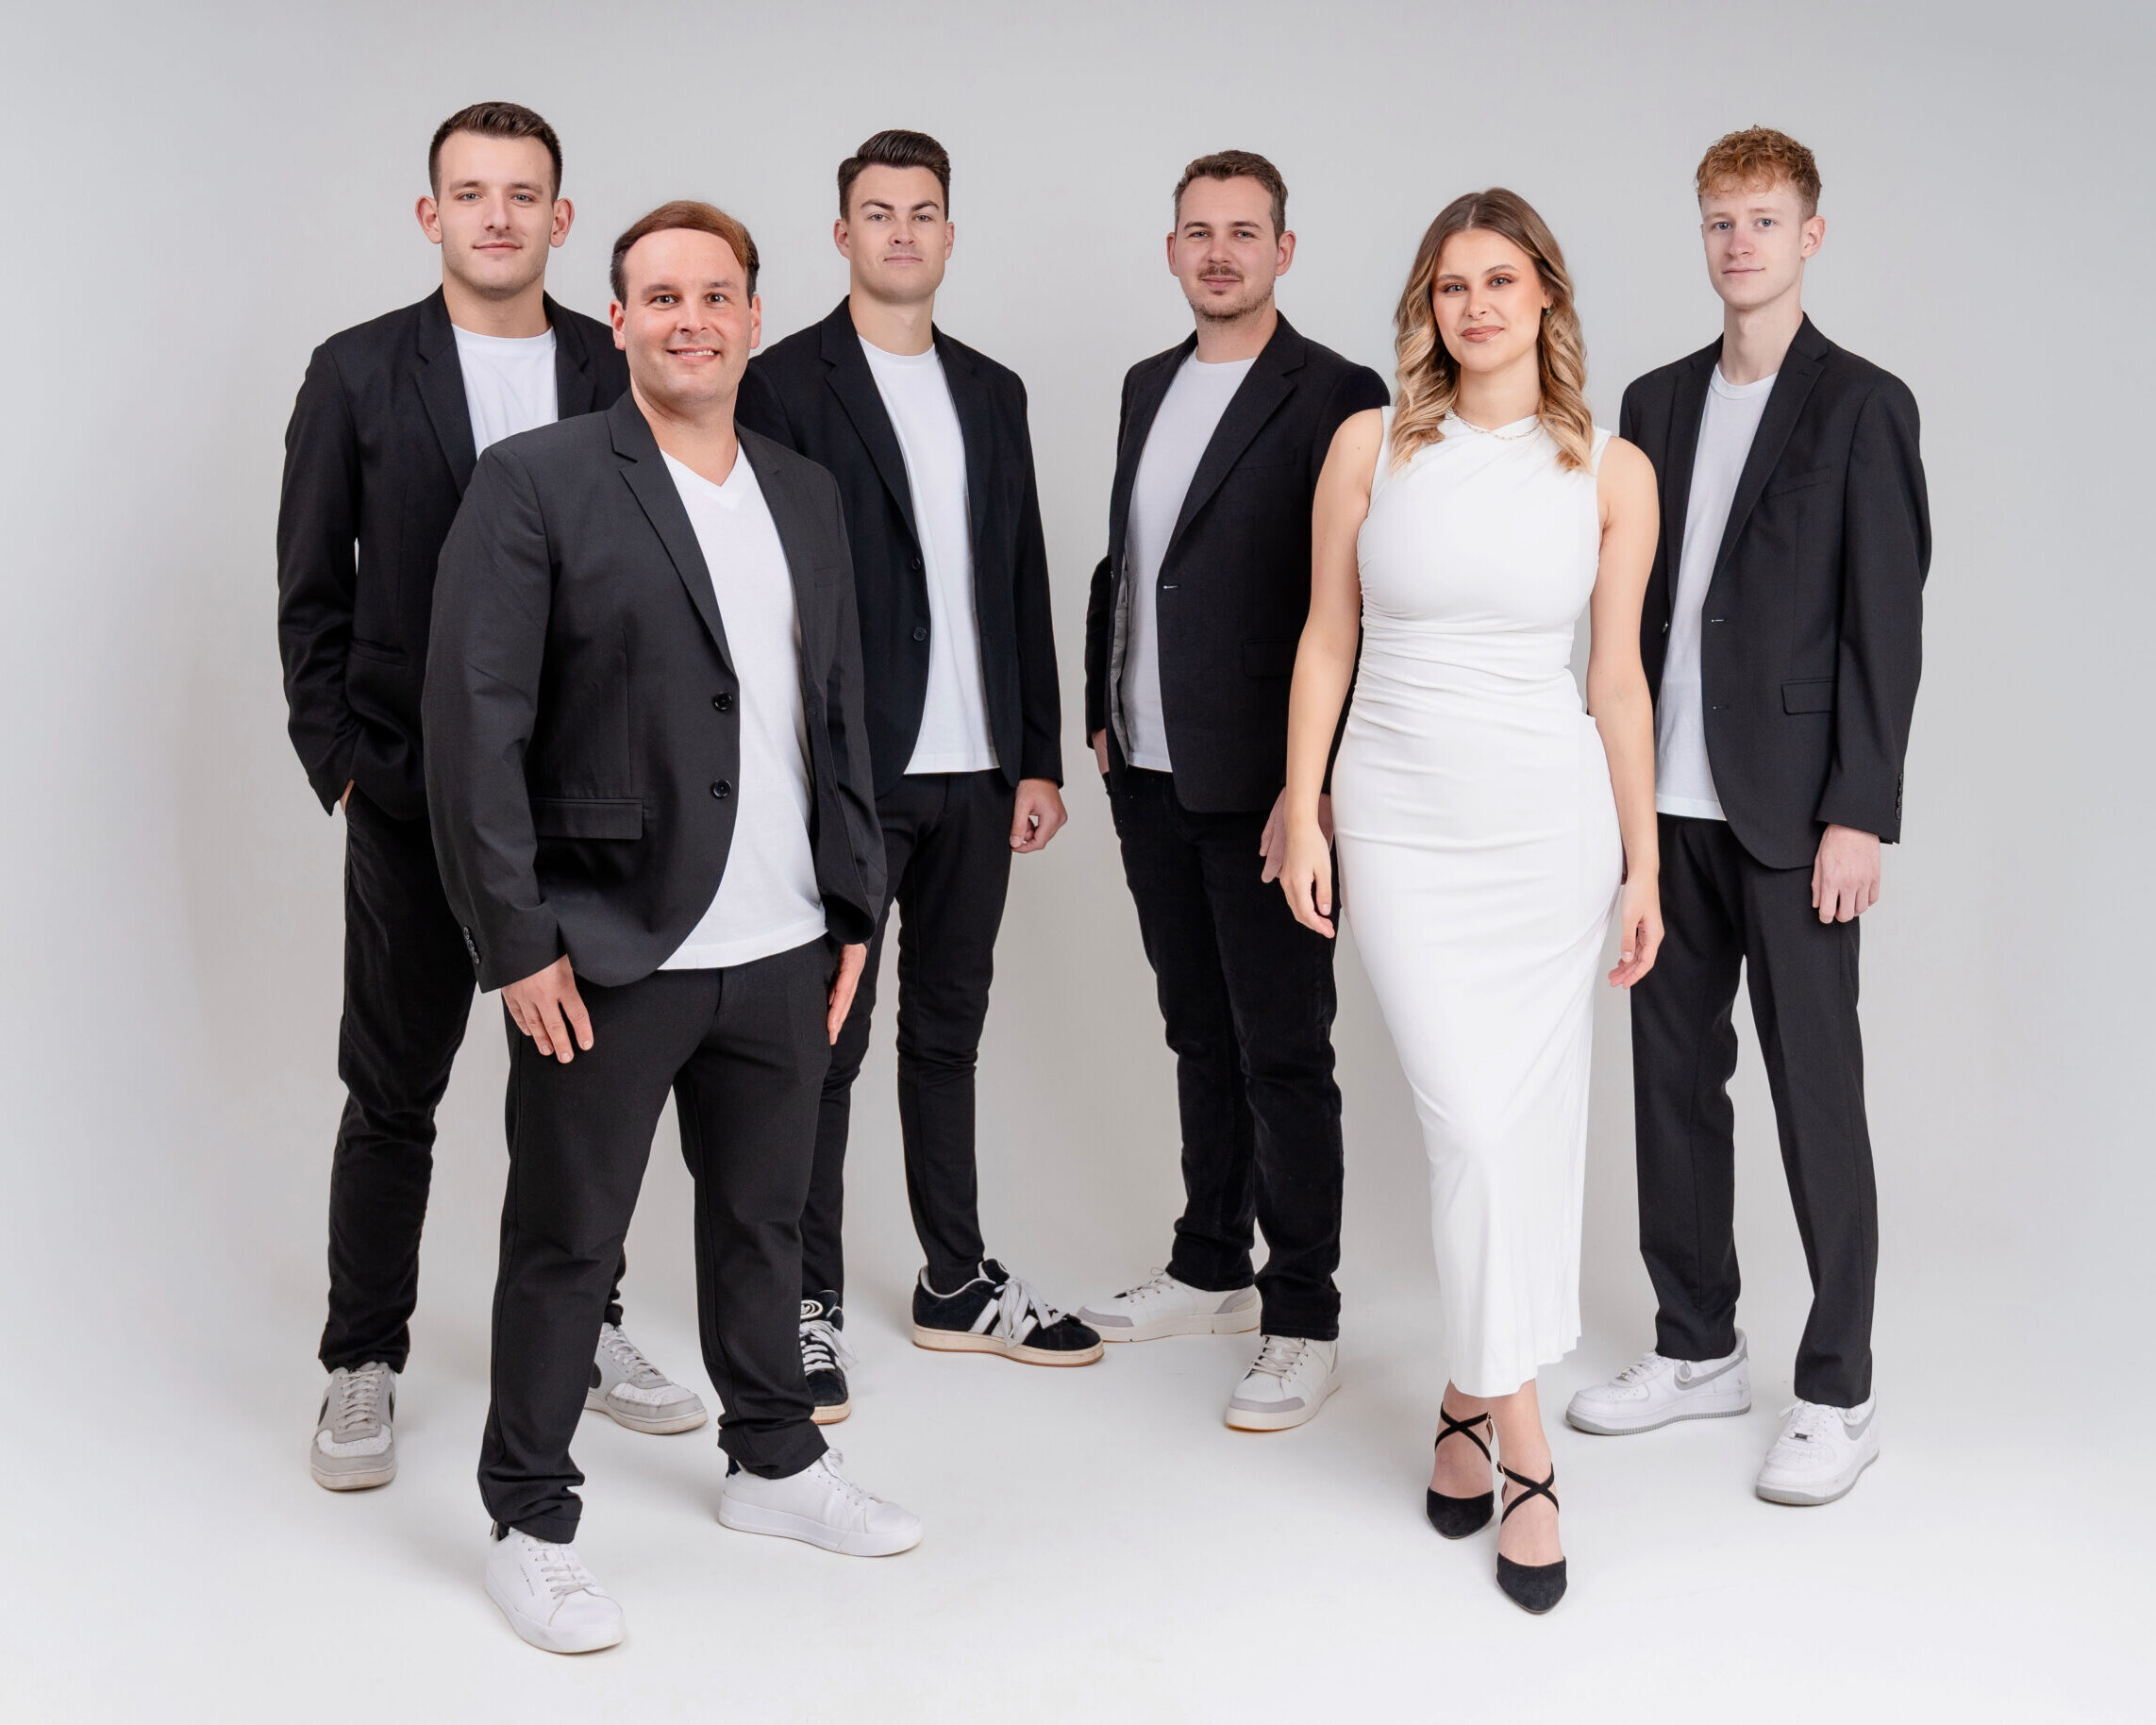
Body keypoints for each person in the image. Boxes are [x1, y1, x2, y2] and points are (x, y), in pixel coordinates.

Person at [424, 202, 923, 1656]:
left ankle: (774, 1461)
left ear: (755, 318)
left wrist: (853, 904)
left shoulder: (802, 491)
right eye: (660, 296)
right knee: (566, 1242)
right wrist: (516, 940)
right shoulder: (536, 481)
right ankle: (530, 1520)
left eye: (716, 295)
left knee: (765, 1220)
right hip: (606, 944)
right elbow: (473, 726)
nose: (690, 318)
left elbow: (837, 713)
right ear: (620, 320)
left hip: (782, 941)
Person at [276, 101, 701, 1495]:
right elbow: (310, 597)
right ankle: (361, 1357)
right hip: (408, 795)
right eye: (472, 193)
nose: (499, 216)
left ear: (562, 219)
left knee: (582, 1090)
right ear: (432, 216)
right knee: (392, 1090)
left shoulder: (611, 362)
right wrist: (348, 764)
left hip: (580, 800)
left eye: (524, 195)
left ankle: (593, 1329)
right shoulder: (355, 371)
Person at [1278, 189, 1662, 1613]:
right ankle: (1528, 1450)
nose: (1476, 306)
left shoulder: (1610, 469)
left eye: (1501, 280)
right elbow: (1325, 638)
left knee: (1513, 1138)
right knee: (1473, 1126)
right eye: (1452, 285)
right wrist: (1300, 804)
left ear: (1545, 294)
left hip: (1547, 832)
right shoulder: (1368, 444)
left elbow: (1615, 680)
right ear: (1426, 307)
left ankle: (1463, 1404)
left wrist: (1644, 861)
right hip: (1399, 817)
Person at [1563, 128, 1928, 1509]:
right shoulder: (1653, 403)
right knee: (1670, 1087)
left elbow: (1884, 625)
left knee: (1815, 1095)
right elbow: (1630, 610)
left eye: (1763, 221)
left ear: (1809, 235)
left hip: (1794, 817)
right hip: (1664, 808)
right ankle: (1696, 1346)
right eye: (1720, 220)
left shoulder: (1863, 406)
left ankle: (1839, 1390)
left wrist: (1860, 812)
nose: (1739, 244)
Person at [737, 129, 1092, 1419]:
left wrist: (1037, 755)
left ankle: (954, 1280)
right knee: (824, 1046)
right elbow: (759, 586)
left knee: (947, 1035)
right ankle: (803, 1302)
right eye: (877, 212)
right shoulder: (784, 382)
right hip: (849, 777)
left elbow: (1021, 571)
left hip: (977, 775)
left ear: (949, 234)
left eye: (922, 211)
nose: (900, 231)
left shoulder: (992, 391)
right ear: (843, 236)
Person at [1072, 151, 1388, 1432]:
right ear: (1171, 251)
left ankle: (1302, 1314)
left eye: (1244, 232)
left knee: (1283, 1052)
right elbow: (1134, 561)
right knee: (1196, 1031)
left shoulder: (1338, 394)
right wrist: (1101, 709)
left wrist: (1313, 792)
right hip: (1148, 769)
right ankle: (1212, 1265)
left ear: (1283, 251)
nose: (1219, 252)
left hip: (1266, 784)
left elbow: (1352, 605)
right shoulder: (1147, 384)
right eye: (1198, 232)